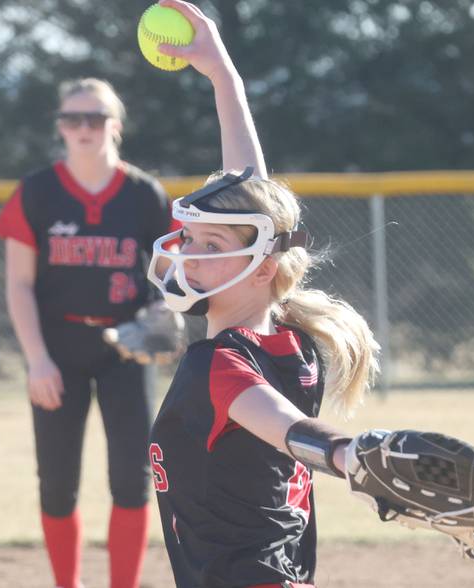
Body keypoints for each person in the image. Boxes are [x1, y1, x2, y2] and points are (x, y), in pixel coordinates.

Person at [145, 2, 380, 587]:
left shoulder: (219, 364)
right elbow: (255, 199)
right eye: (190, 238)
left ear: (259, 266)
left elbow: (282, 426)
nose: (189, 254)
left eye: (209, 243)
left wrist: (355, 458)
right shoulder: (291, 340)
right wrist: (224, 77)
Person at [0, 77, 177, 588]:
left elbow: (168, 274)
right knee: (56, 484)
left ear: (114, 126)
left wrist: (162, 311)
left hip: (126, 348)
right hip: (58, 349)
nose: (83, 128)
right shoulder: (38, 191)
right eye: (72, 119)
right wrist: (37, 359)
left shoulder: (143, 194)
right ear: (60, 127)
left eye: (94, 118)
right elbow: (18, 285)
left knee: (132, 481)